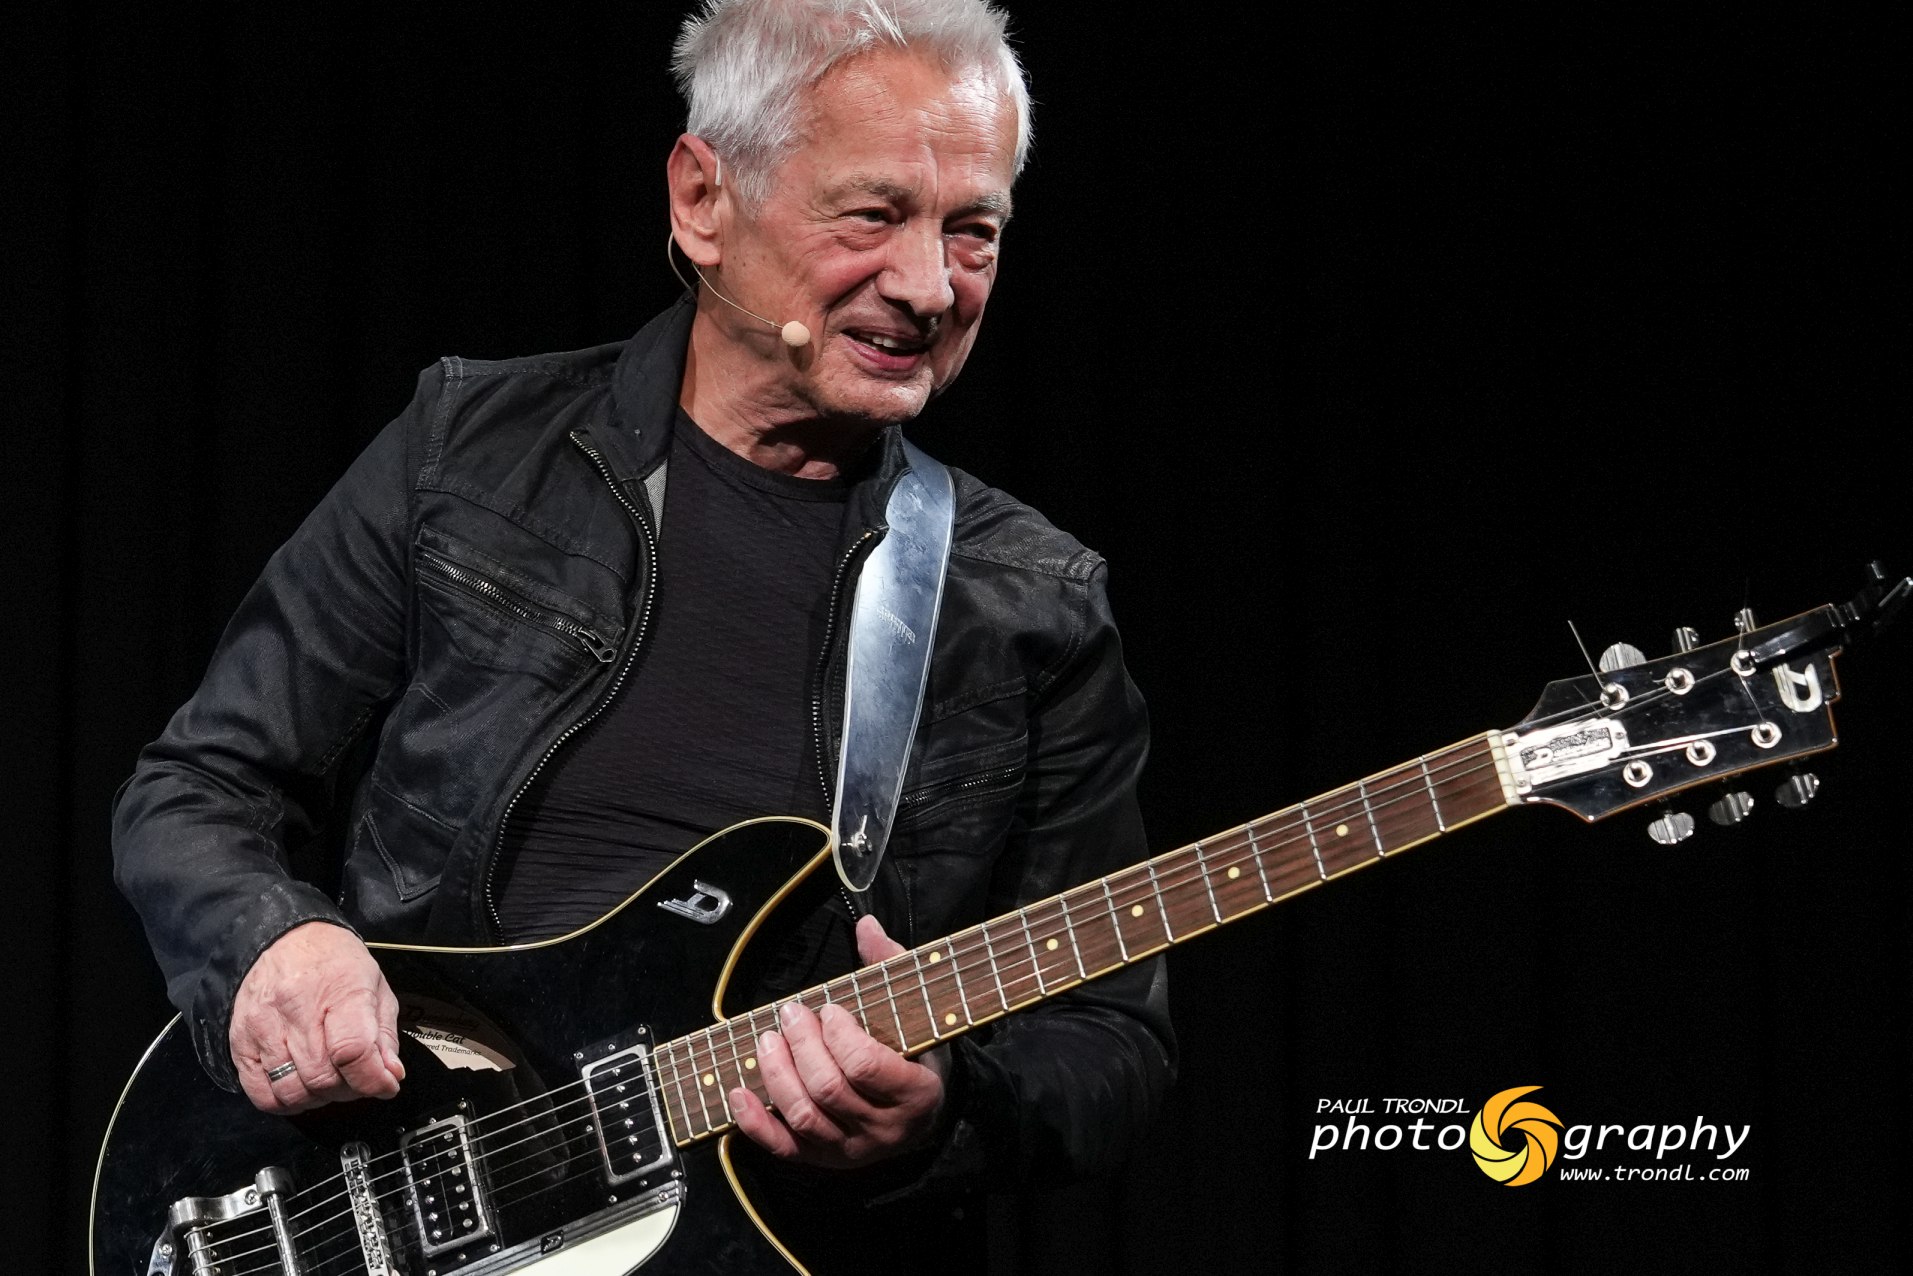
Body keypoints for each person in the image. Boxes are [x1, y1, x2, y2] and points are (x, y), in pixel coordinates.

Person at [112, 0, 1172, 1264]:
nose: (929, 285)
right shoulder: (467, 453)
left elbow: (1114, 1043)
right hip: (376, 1203)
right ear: (701, 201)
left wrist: (937, 1116)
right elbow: (197, 785)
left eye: (973, 232)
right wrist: (273, 941)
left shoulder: (1032, 603)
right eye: (873, 214)